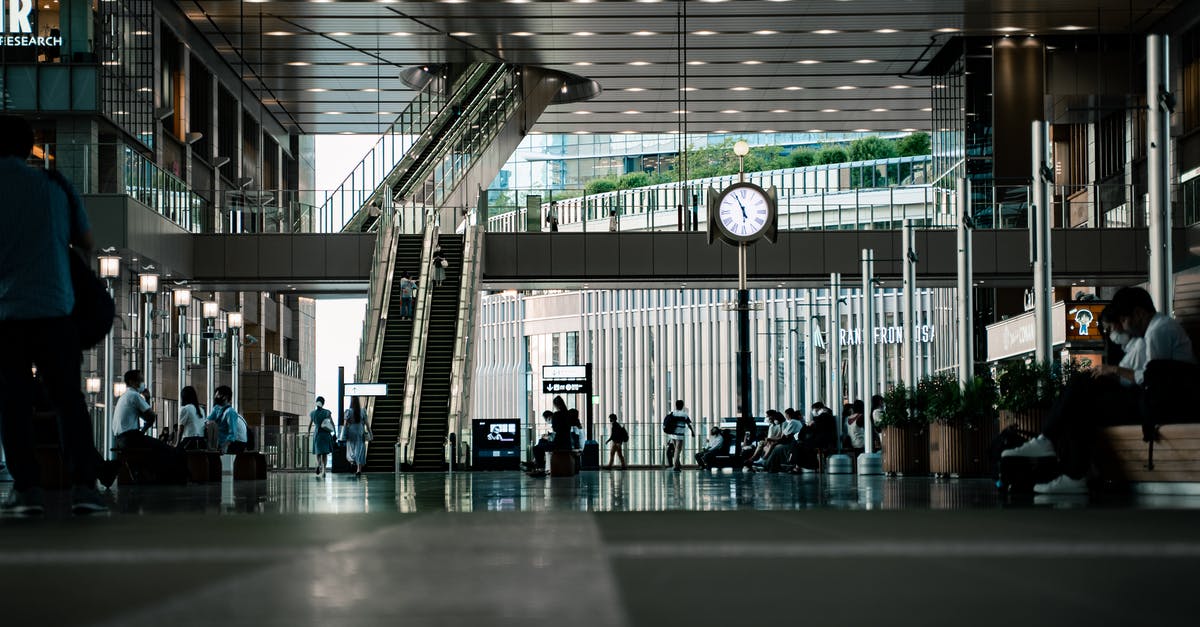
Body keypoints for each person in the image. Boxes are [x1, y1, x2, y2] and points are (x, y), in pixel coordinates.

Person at [0, 114, 107, 515]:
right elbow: (86, 243)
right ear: (30, 147)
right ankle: (84, 485)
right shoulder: (54, 184)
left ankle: (26, 488)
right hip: (54, 308)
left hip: (7, 313)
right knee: (68, 400)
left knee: (13, 401)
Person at [1003, 286, 1196, 494]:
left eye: (1123, 320)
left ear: (1139, 313)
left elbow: (1150, 378)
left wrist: (1115, 370)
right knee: (1082, 391)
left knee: (1082, 398)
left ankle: (1063, 460)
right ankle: (1066, 464)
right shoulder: (1155, 330)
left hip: (1163, 402)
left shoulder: (1158, 331)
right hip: (1155, 398)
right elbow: (1150, 376)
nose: (1122, 327)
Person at [111, 369, 188, 484]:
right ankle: (171, 479)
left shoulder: (124, 397)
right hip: (131, 438)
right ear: (132, 382)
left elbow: (145, 415)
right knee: (167, 450)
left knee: (156, 448)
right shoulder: (134, 395)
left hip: (120, 439)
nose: (142, 383)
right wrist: (143, 430)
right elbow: (151, 416)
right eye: (140, 380)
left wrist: (146, 401)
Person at [206, 385, 248, 454]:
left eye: (218, 395)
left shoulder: (230, 412)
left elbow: (233, 434)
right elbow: (208, 421)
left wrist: (225, 446)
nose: (216, 397)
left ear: (225, 397)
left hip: (237, 442)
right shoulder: (217, 408)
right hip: (224, 440)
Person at [341, 396, 370, 477]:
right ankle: (358, 469)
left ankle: (352, 460)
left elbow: (345, 424)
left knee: (351, 448)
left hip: (351, 432)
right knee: (360, 449)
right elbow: (367, 424)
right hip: (360, 431)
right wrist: (370, 434)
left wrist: (343, 434)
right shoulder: (362, 411)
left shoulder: (348, 411)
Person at [309, 396, 335, 478]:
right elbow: (332, 423)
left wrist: (308, 433)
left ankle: (318, 464)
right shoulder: (327, 412)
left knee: (318, 452)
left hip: (317, 434)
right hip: (325, 434)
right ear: (323, 403)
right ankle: (324, 470)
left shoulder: (313, 413)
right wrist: (335, 432)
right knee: (325, 453)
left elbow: (310, 425)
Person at [176, 385, 208, 451]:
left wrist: (177, 443)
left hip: (189, 441)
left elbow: (181, 428)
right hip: (201, 441)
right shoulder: (201, 410)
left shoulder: (185, 409)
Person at [665, 400, 694, 471]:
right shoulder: (684, 414)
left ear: (676, 405)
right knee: (678, 450)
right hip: (680, 434)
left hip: (672, 433)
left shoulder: (673, 413)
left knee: (676, 449)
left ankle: (678, 464)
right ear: (682, 405)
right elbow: (689, 424)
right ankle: (675, 466)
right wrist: (692, 432)